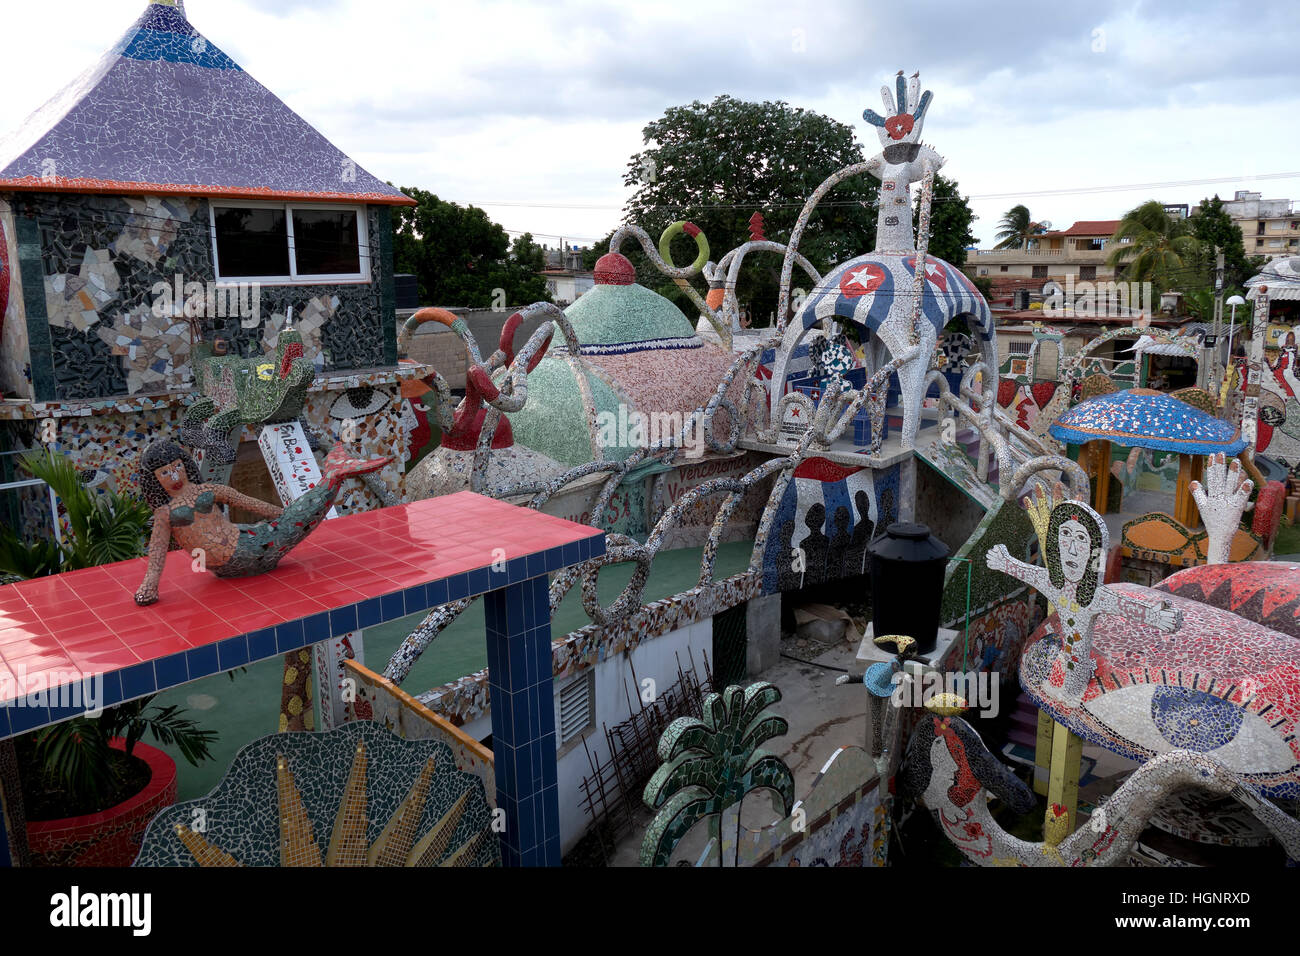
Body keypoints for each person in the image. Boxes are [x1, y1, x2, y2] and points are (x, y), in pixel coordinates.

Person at [133, 439, 390, 606]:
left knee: (288, 524)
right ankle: (334, 474)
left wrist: (280, 514)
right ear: (154, 479)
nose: (174, 475)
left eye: (176, 466)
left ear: (185, 464)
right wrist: (149, 587)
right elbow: (157, 553)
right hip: (235, 557)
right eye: (164, 472)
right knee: (286, 525)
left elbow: (243, 500)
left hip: (247, 544)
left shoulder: (206, 490)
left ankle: (333, 476)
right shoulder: (165, 514)